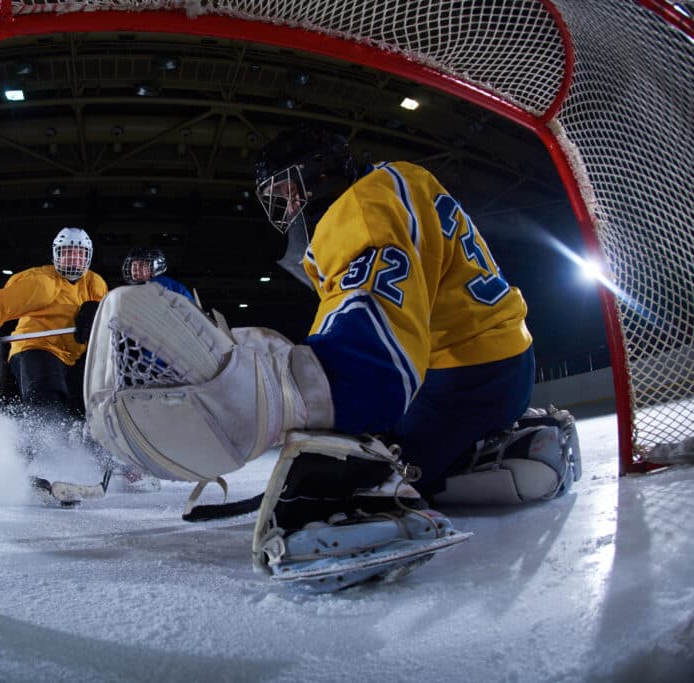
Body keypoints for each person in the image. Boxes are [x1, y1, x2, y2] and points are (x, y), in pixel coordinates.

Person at [83, 126, 580, 592]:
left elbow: (372, 357)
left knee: (378, 472)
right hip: (484, 362)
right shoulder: (391, 185)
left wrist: (299, 403)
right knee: (368, 450)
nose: (286, 206)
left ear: (316, 172)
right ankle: (490, 447)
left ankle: (515, 449)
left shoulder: (361, 206)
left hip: (468, 377)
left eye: (285, 191)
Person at [0, 226, 106, 425]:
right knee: (47, 401)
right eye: (67, 253)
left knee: (86, 405)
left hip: (73, 357)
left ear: (88, 257)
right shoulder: (41, 283)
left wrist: (96, 309)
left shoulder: (94, 284)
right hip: (37, 348)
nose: (74, 260)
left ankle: (82, 447)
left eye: (80, 254)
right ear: (56, 255)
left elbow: (109, 314)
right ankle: (43, 441)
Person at [121, 247, 195, 302]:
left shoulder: (163, 284)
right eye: (133, 265)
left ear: (154, 267)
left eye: (140, 265)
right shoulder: (135, 288)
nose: (135, 269)